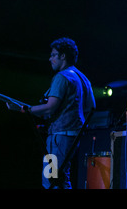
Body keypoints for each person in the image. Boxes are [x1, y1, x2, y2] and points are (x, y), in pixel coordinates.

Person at [8, 37, 96, 189]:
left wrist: (25, 110)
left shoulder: (62, 77)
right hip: (72, 135)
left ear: (63, 56)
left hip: (60, 135)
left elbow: (50, 107)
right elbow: (91, 107)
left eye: (54, 55)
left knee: (51, 180)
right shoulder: (82, 77)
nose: (50, 58)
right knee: (60, 177)